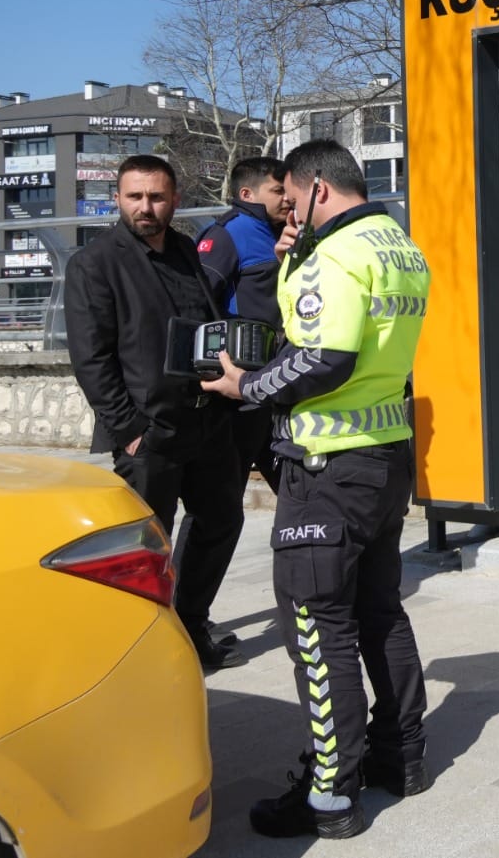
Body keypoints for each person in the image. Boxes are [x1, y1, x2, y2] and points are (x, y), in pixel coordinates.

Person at [200, 139, 431, 840]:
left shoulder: (335, 255)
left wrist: (248, 385)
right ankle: (402, 757)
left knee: (315, 623)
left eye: (294, 201)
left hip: (328, 466)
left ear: (319, 188)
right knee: (380, 612)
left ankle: (331, 793)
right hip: (384, 457)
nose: (288, 214)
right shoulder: (398, 245)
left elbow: (325, 354)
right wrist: (297, 255)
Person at [64, 153, 246, 672]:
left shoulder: (187, 250)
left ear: (174, 200)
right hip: (149, 431)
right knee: (146, 548)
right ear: (118, 199)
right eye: (135, 197)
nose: (145, 206)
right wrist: (130, 430)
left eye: (156, 197)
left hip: (206, 420)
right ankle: (142, 650)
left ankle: (190, 625)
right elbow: (91, 358)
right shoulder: (95, 263)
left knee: (221, 521)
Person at [196, 155, 294, 491]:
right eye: (278, 190)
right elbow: (198, 304)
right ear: (247, 194)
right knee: (221, 502)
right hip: (240, 394)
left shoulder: (285, 232)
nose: (287, 198)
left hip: (278, 383)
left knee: (298, 490)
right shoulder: (228, 234)